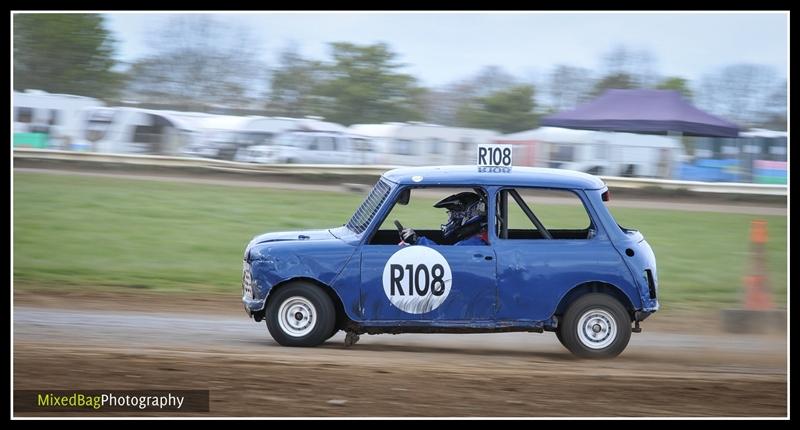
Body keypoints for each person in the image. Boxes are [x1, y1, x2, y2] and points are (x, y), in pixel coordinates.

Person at [400, 191, 489, 246]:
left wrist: (417, 241)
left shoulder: (474, 243)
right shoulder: (474, 238)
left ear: (469, 214)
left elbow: (441, 257)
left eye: (453, 215)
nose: (450, 219)